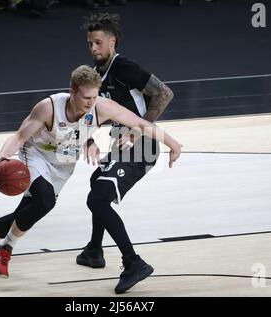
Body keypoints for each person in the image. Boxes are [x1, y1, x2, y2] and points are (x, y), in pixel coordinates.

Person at [0, 65, 181, 294]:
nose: (90, 103)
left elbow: (141, 123)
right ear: (72, 92)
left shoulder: (100, 107)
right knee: (45, 201)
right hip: (36, 155)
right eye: (86, 97)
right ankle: (6, 248)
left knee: (26, 212)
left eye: (94, 97)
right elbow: (19, 137)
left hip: (62, 164)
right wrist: (1, 156)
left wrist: (173, 144)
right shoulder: (48, 108)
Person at [76, 13, 175, 292]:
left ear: (112, 41)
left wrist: (139, 129)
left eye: (98, 43)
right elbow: (90, 114)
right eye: (89, 43)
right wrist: (88, 140)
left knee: (98, 200)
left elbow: (164, 94)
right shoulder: (98, 76)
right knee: (97, 184)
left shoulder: (123, 67)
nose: (93, 48)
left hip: (141, 147)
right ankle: (94, 251)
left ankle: (133, 263)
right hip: (122, 146)